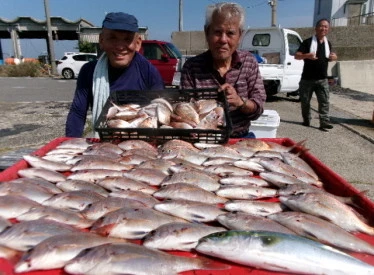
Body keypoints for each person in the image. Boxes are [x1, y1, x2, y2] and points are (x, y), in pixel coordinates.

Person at [65, 12, 164, 137]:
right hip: (104, 141)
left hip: (141, 142)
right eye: (112, 38)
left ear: (138, 43)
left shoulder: (149, 72)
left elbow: (160, 111)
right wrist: (71, 143)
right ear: (101, 41)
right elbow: (78, 113)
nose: (120, 46)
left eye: (127, 39)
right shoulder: (88, 71)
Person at [180, 2, 266, 138]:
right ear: (206, 32)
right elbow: (185, 111)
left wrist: (240, 101)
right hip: (204, 139)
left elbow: (258, 109)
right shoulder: (191, 67)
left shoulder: (249, 62)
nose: (223, 40)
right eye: (217, 32)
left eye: (230, 33)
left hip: (240, 138)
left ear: (240, 36)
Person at [295, 18, 338, 131]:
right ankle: (307, 120)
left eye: (326, 27)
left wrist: (334, 58)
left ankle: (324, 122)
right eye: (321, 26)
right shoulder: (307, 42)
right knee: (305, 102)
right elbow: (297, 55)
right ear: (316, 28)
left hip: (322, 79)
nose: (323, 28)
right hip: (307, 79)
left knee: (324, 102)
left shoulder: (328, 43)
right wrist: (307, 56)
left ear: (328, 29)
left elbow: (330, 57)